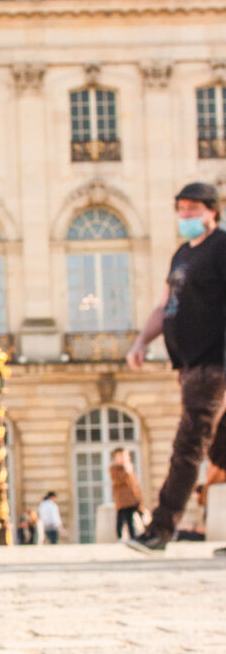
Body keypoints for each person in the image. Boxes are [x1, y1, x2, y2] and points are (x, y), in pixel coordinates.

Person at [125, 182, 226, 555]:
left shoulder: (221, 248)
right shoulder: (182, 255)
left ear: (212, 211)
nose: (185, 215)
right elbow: (164, 306)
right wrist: (141, 341)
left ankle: (161, 528)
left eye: (193, 208)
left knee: (189, 444)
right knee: (223, 450)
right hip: (188, 366)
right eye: (181, 208)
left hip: (213, 364)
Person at [109, 447, 143, 541]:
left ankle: (133, 537)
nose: (123, 458)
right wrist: (126, 472)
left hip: (132, 500)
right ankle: (119, 537)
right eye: (120, 456)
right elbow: (118, 480)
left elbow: (134, 485)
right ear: (115, 458)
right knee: (120, 520)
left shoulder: (129, 469)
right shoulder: (114, 469)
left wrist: (138, 498)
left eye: (125, 456)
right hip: (121, 500)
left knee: (130, 520)